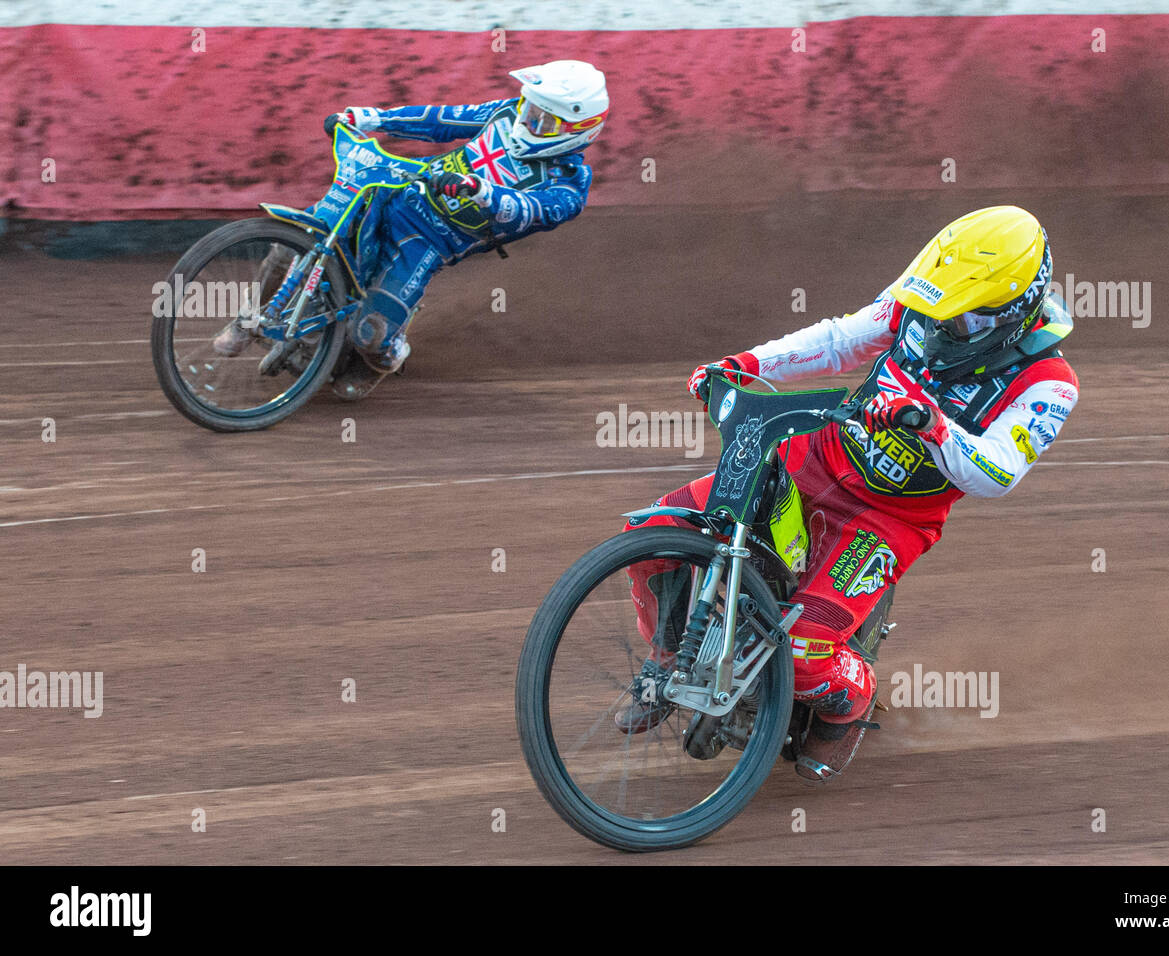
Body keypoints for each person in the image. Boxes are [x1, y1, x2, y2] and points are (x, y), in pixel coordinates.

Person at [622, 205, 1080, 784]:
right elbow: (841, 341)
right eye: (936, 311)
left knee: (806, 650)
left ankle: (852, 704)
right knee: (649, 535)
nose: (940, 327)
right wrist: (744, 365)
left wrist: (932, 425)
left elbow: (997, 474)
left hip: (886, 521)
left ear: (1012, 313)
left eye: (961, 322)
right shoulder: (926, 295)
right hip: (805, 459)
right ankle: (665, 667)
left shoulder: (1049, 384)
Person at [214, 59, 608, 400]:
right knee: (294, 244)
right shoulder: (506, 113)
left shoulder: (569, 184)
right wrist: (370, 118)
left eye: (543, 119)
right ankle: (247, 319)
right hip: (396, 191)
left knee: (371, 338)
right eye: (528, 107)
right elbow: (442, 121)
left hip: (430, 240)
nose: (526, 119)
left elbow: (527, 211)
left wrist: (482, 191)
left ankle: (387, 359)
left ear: (577, 129)